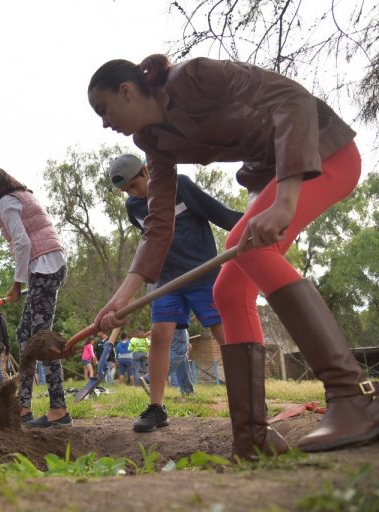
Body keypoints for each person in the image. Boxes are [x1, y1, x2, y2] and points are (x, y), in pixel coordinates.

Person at [88, 54, 378, 458]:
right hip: (267, 176)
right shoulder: (151, 141)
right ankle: (252, 436)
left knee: (244, 247)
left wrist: (286, 202)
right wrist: (124, 295)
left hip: (320, 152)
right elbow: (158, 224)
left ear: (127, 91)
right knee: (228, 292)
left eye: (103, 109)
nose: (104, 122)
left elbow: (292, 99)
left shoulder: (195, 77)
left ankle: (353, 397)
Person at [108, 153, 241, 430]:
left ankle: (245, 397)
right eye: (125, 191)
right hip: (166, 281)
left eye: (133, 185)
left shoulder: (180, 185)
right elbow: (151, 242)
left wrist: (258, 222)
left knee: (223, 333)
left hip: (202, 273)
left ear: (147, 171)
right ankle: (157, 408)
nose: (131, 194)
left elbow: (221, 214)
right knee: (159, 336)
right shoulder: (133, 207)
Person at [0, 166, 70, 428]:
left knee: (41, 338)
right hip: (47, 264)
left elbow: (23, 243)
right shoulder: (17, 197)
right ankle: (24, 407)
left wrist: (17, 285)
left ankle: (59, 409)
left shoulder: (6, 200)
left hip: (45, 265)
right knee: (24, 335)